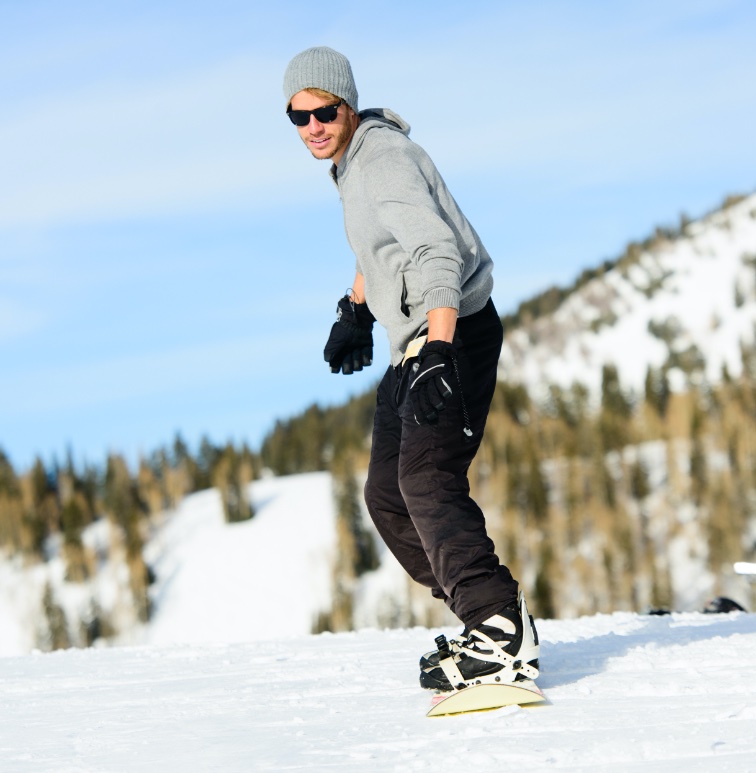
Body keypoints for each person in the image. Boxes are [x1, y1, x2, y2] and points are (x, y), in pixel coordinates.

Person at [283, 46, 539, 691]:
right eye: (298, 117)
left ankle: (498, 626)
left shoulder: (383, 160)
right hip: (415, 340)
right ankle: (485, 621)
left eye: (324, 111)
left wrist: (442, 351)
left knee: (426, 478)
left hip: (454, 332)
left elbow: (434, 250)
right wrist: (356, 307)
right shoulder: (349, 164)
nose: (313, 126)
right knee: (388, 496)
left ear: (348, 104)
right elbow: (385, 249)